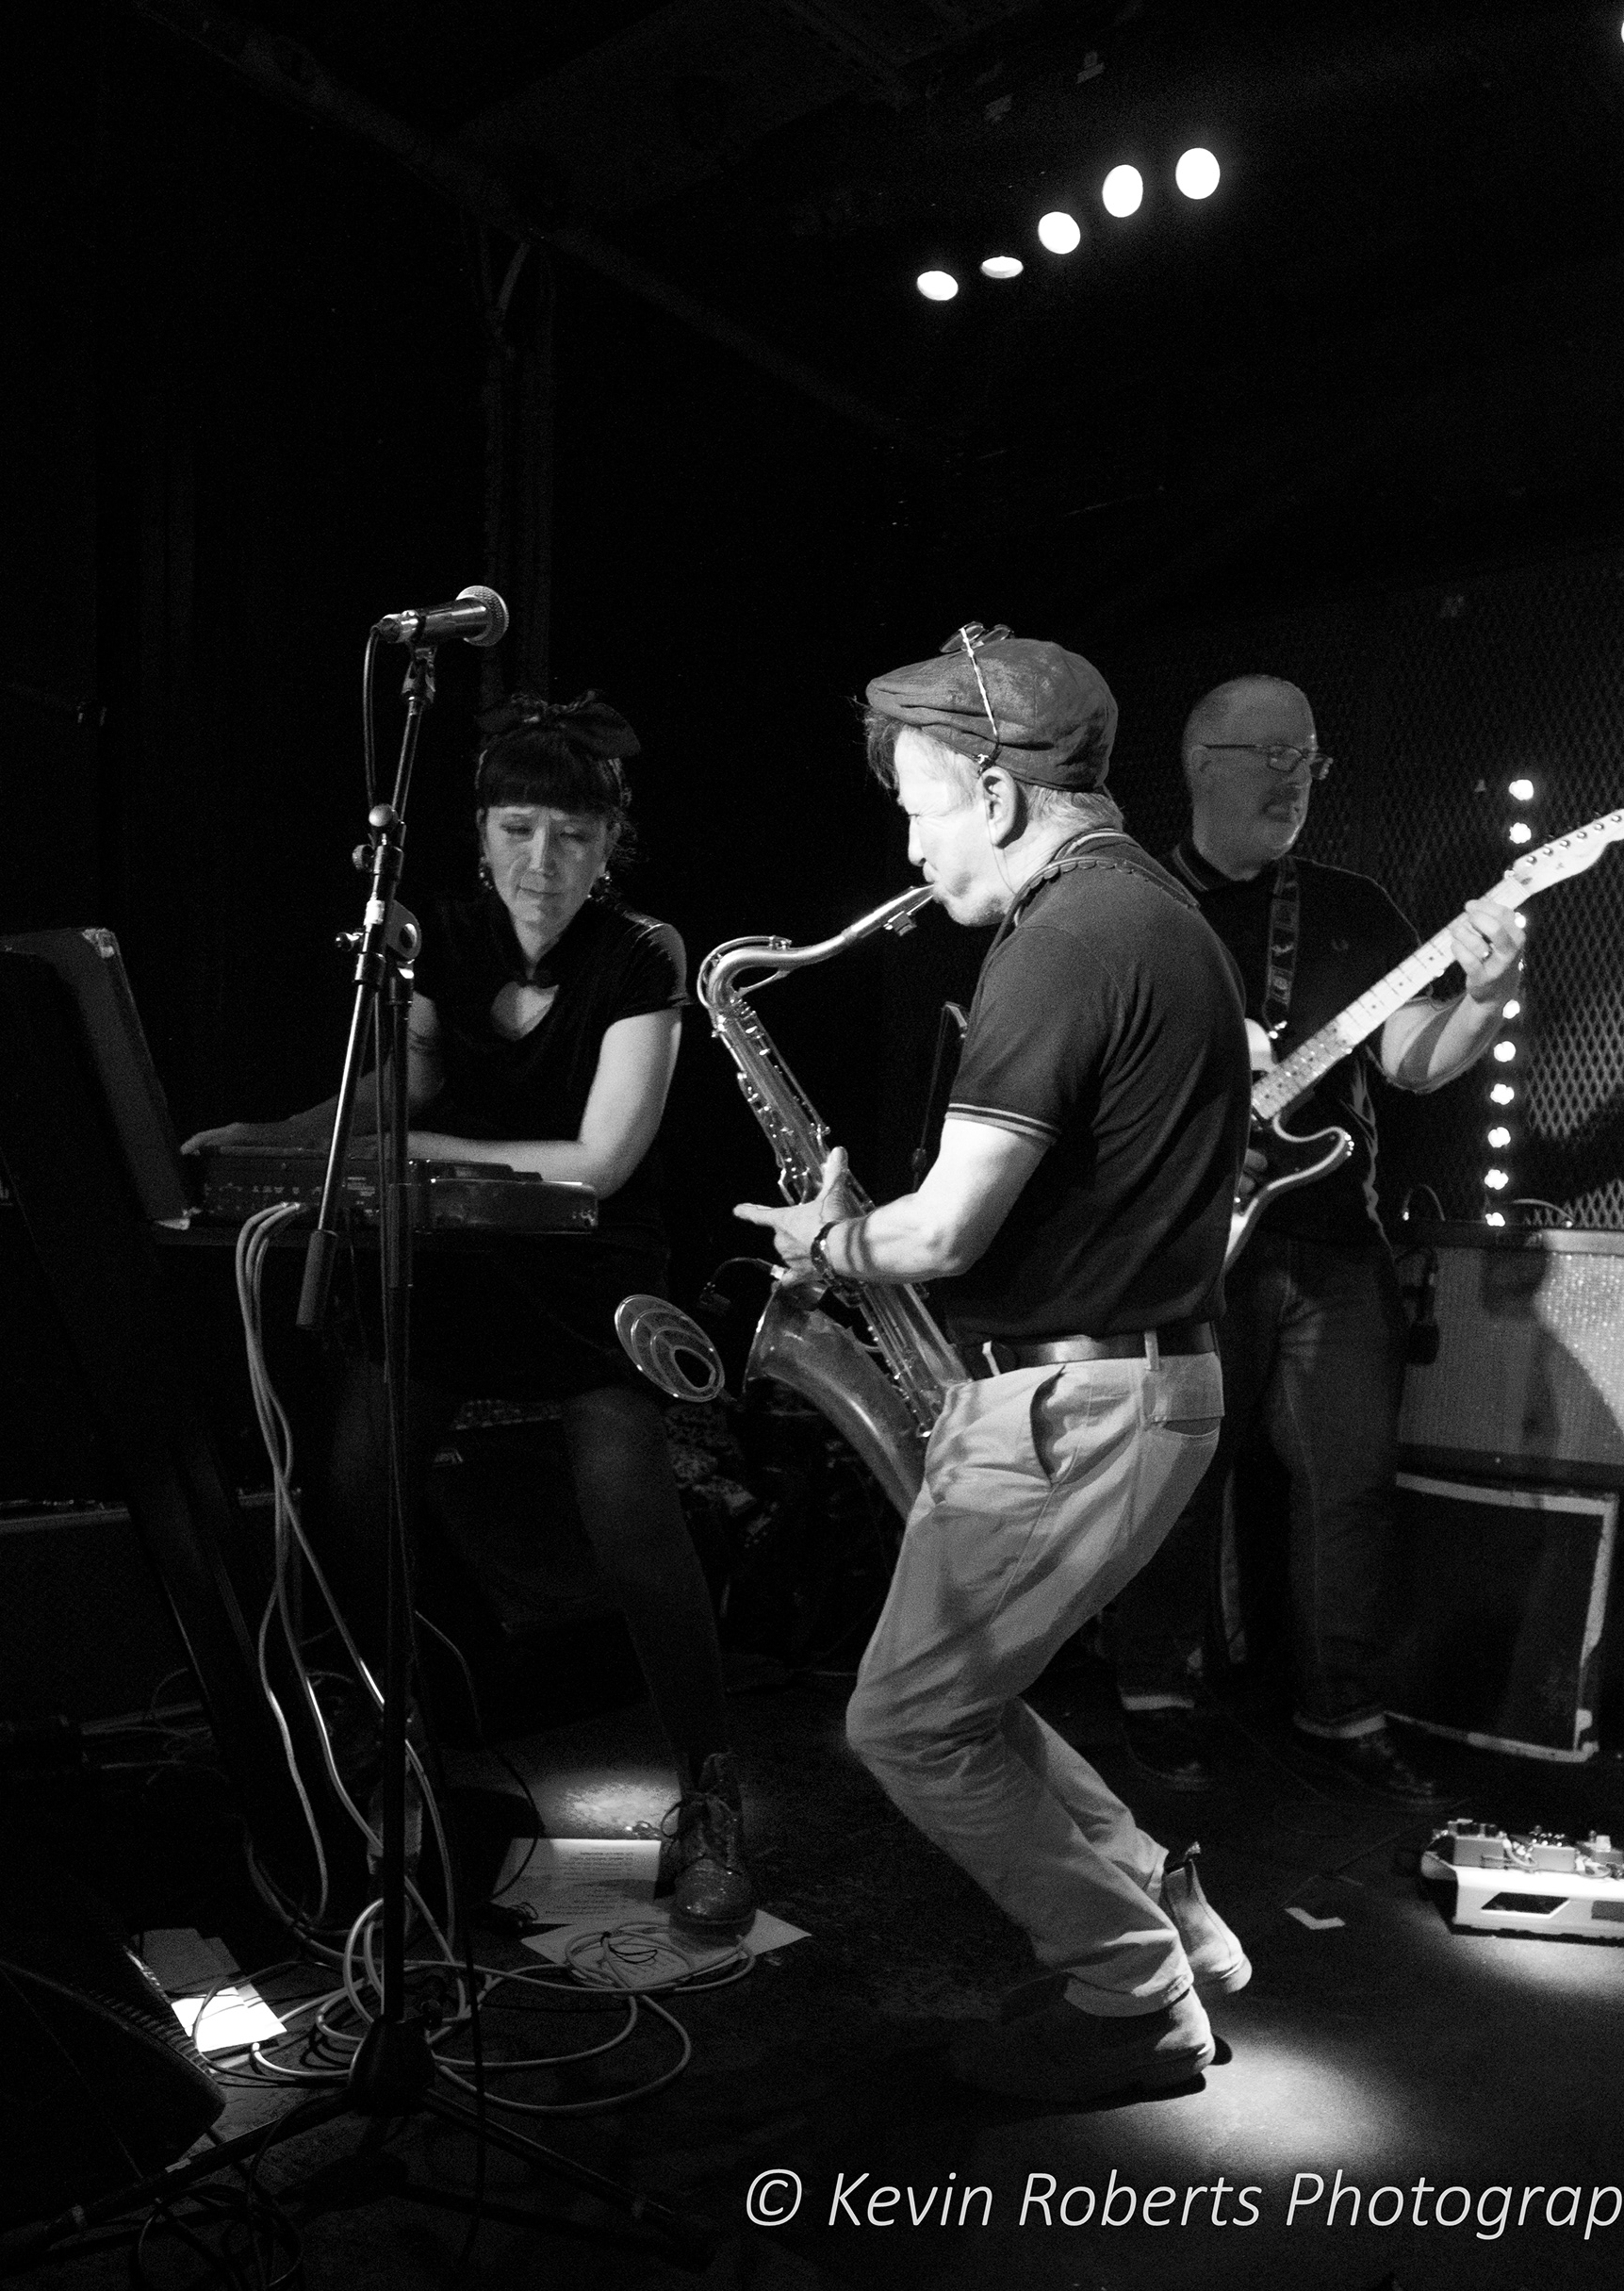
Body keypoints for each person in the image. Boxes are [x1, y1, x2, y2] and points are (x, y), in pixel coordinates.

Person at [736, 625, 1252, 2104]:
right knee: (963, 1693)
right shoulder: (1153, 918)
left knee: (905, 1721)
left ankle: (1134, 1989)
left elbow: (948, 1229)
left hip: (1079, 1400)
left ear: (998, 791)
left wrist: (831, 1244)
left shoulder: (1067, 936)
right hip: (1117, 1385)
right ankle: (1166, 1903)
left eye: (921, 807)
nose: (911, 846)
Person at [184, 694, 751, 1931]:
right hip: (451, 1259)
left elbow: (600, 1161)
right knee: (355, 1482)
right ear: (482, 833)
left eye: (571, 835)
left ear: (609, 845)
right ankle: (388, 1755)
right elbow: (405, 1083)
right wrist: (287, 1136)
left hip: (588, 1268)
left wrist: (426, 1154)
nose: (542, 860)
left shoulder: (644, 952)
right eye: (517, 830)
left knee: (626, 1504)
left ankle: (710, 1791)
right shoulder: (437, 935)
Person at [1105, 674, 1525, 1802]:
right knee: (1174, 1477)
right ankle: (1155, 1695)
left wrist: (1487, 996)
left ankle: (1344, 1710)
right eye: (1273, 756)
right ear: (1202, 762)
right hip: (1186, 1245)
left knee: (1351, 1485)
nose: (1296, 780)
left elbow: (1411, 1061)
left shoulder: (1350, 906)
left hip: (1333, 1241)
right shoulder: (1134, 902)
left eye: (1311, 759)